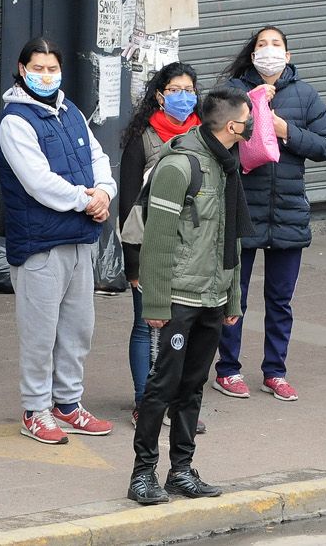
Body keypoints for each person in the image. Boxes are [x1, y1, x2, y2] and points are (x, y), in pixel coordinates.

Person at [128, 87, 252, 505]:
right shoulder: (179, 166)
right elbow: (158, 242)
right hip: (179, 297)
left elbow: (230, 238)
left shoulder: (226, 163)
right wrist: (157, 304)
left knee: (194, 385)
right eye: (249, 119)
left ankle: (180, 470)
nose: (253, 125)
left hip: (213, 297)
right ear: (233, 125)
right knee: (162, 386)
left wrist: (232, 299)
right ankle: (142, 474)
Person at [0, 38, 117, 445]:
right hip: (40, 245)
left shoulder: (71, 111)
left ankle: (68, 404)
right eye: (38, 68)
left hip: (80, 239)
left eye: (52, 68)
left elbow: (98, 157)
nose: (46, 76)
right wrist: (87, 201)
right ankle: (35, 409)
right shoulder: (15, 120)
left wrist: (104, 192)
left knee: (79, 328)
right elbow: (37, 182)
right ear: (22, 68)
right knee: (40, 333)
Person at [213, 26, 326, 402]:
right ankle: (228, 369)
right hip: (242, 207)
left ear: (288, 55)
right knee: (235, 295)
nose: (269, 51)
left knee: (281, 299)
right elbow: (213, 137)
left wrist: (287, 131)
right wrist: (252, 107)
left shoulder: (306, 94)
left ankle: (275, 371)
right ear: (252, 55)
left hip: (288, 210)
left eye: (276, 45)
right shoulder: (234, 93)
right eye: (262, 45)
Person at [117, 62, 208, 432]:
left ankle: (175, 401)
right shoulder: (144, 138)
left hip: (193, 252)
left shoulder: (205, 136)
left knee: (183, 327)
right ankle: (144, 400)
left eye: (189, 90)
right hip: (153, 248)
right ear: (159, 95)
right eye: (174, 90)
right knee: (146, 326)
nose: (183, 97)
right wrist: (134, 265)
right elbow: (128, 207)